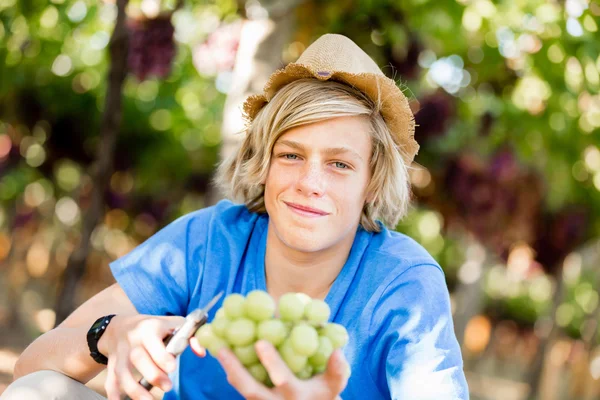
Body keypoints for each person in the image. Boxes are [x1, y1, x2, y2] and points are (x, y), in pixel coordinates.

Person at [3, 33, 469, 400]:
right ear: (263, 162)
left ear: (371, 181)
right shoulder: (206, 240)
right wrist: (108, 334)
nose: (310, 181)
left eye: (340, 164)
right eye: (290, 155)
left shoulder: (405, 283)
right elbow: (29, 371)